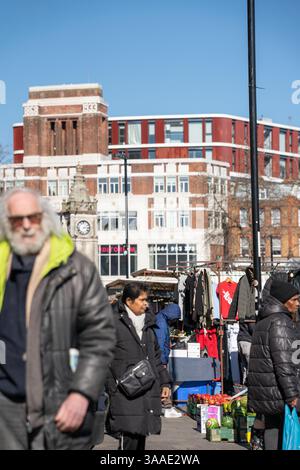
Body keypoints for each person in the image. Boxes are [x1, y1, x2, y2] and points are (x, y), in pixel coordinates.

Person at [0, 188, 116, 450]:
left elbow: (100, 337)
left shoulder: (76, 270)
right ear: (7, 224)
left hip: (60, 405)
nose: (27, 226)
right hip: (6, 410)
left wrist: (81, 393)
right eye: (18, 220)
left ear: (46, 218)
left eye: (34, 217)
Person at [105, 283, 172, 451]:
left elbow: (156, 357)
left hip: (147, 390)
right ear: (129, 301)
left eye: (146, 300)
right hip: (124, 394)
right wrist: (113, 387)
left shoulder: (148, 325)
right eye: (142, 300)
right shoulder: (113, 323)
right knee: (129, 439)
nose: (146, 304)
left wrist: (164, 383)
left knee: (140, 436)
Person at [248, 280, 300, 450]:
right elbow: (285, 364)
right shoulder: (281, 322)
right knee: (284, 434)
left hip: (267, 392)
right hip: (280, 393)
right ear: (284, 301)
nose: (298, 303)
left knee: (272, 431)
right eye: (295, 299)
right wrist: (292, 395)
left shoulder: (264, 321)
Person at [154, 303, 181, 408]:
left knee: (161, 380)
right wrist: (163, 360)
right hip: (160, 358)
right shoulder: (161, 322)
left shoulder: (161, 319)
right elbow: (160, 343)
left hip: (160, 356)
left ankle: (164, 401)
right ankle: (165, 402)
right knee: (163, 380)